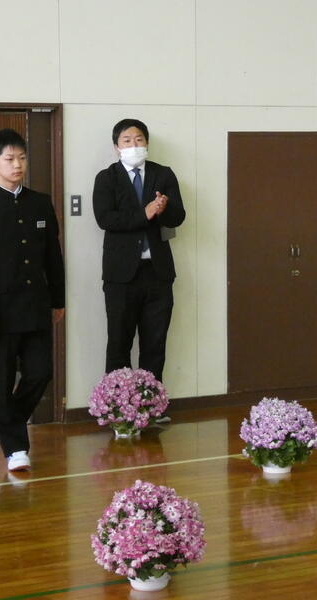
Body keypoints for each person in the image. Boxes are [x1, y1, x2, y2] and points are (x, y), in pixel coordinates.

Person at [0, 128, 65, 472]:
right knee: (2, 381)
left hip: (36, 307)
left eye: (22, 158)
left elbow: (53, 257)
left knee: (41, 373)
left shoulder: (40, 203)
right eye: (9, 159)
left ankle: (9, 422)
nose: (17, 164)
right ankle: (15, 448)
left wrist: (58, 300)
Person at [92, 119, 185, 418]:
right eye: (127, 140)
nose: (134, 145)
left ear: (147, 143)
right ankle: (117, 410)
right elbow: (105, 219)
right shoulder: (107, 178)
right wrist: (144, 213)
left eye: (139, 139)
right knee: (119, 343)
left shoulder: (163, 174)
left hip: (158, 273)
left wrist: (164, 208)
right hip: (120, 277)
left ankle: (151, 409)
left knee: (155, 343)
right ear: (116, 146)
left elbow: (178, 217)